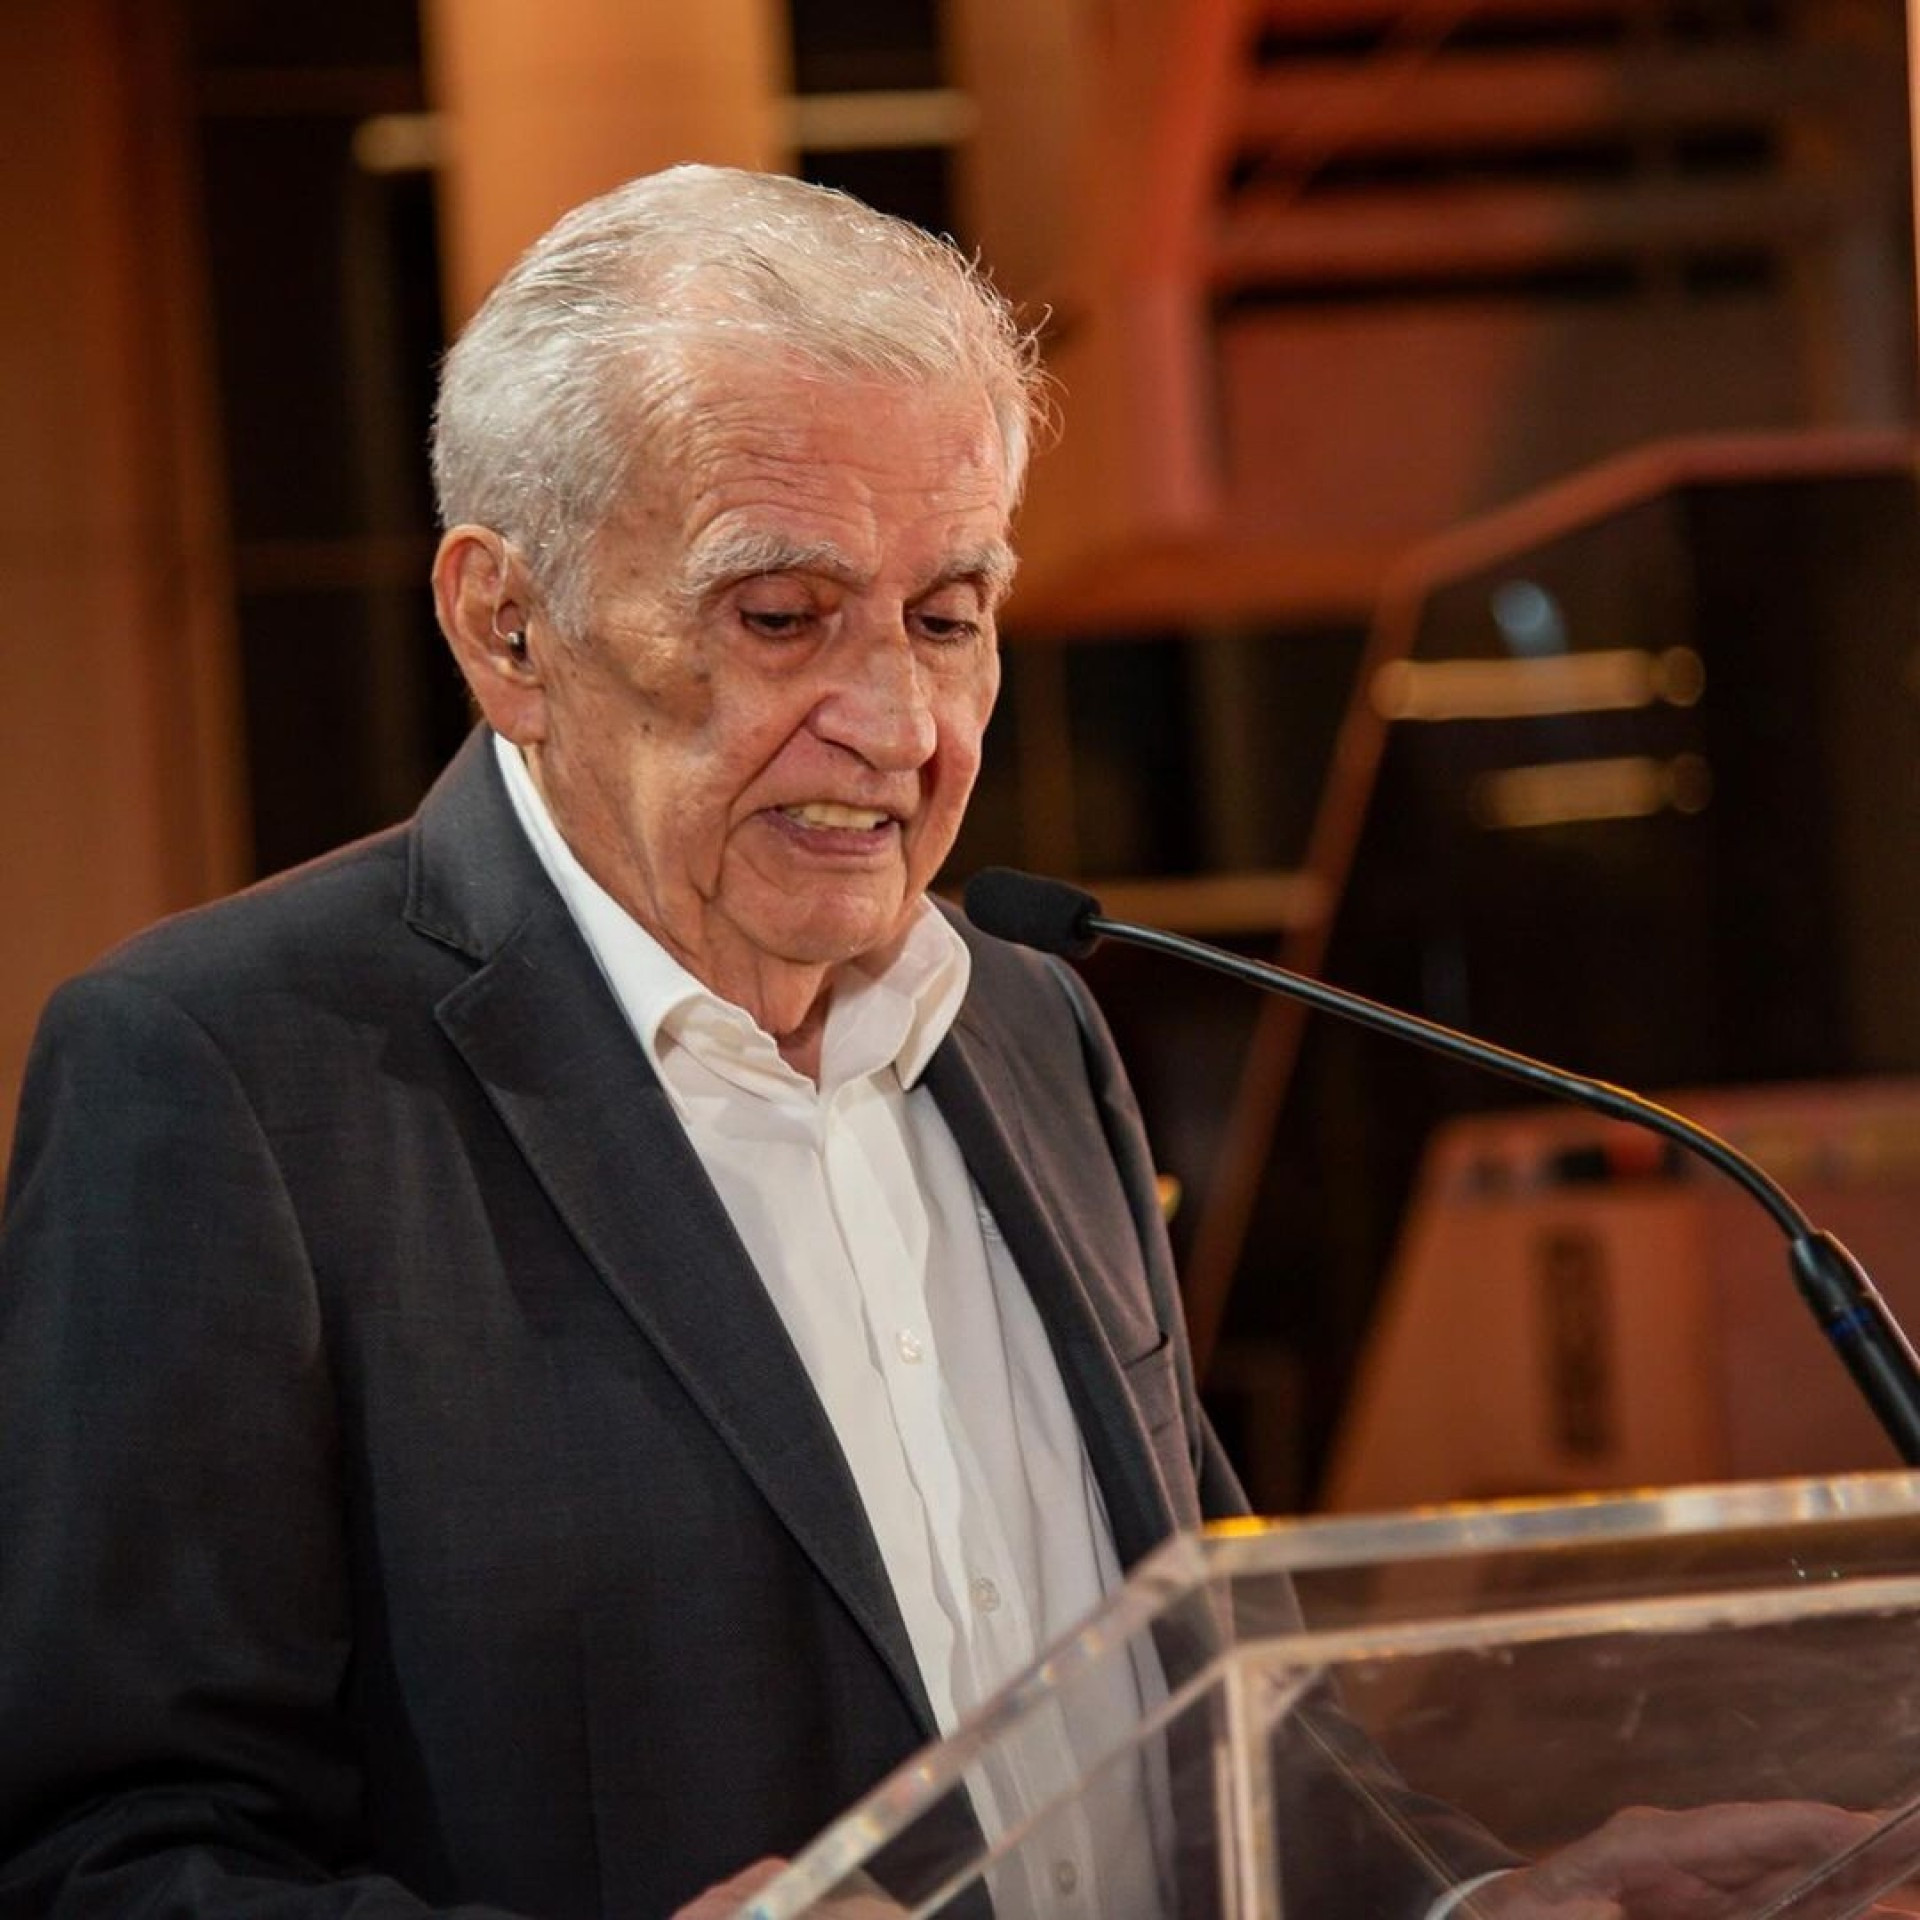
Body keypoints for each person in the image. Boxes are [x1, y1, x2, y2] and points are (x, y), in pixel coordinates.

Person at [0, 164, 1907, 1920]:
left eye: (949, 613)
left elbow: (1197, 1702)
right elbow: (107, 1858)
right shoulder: (227, 1076)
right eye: (783, 615)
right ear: (509, 623)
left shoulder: (1028, 1026)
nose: (901, 724)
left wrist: (1490, 1903)